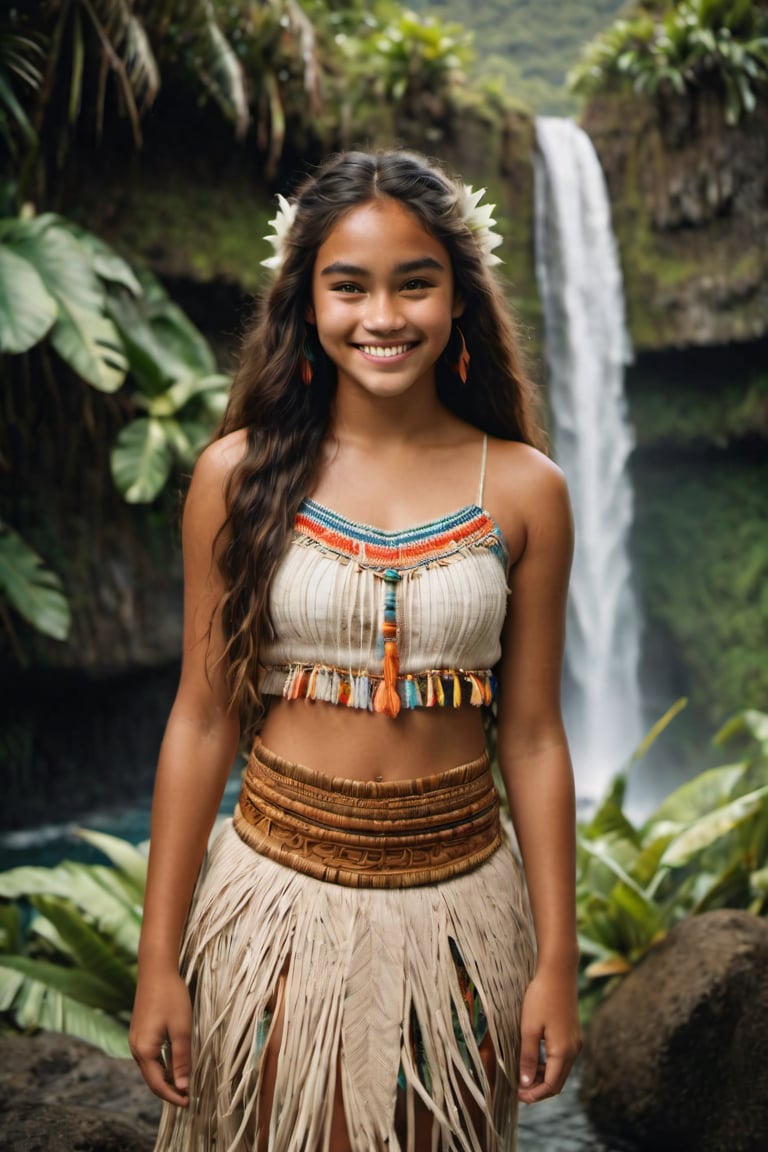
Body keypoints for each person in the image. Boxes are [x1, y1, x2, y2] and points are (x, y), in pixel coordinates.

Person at [129, 148, 581, 1152]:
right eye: (351, 286)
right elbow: (202, 720)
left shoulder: (524, 489)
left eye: (415, 282)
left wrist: (558, 959)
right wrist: (158, 959)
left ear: (459, 297)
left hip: (464, 909)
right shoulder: (235, 476)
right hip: (275, 901)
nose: (385, 316)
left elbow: (538, 739)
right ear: (306, 302)